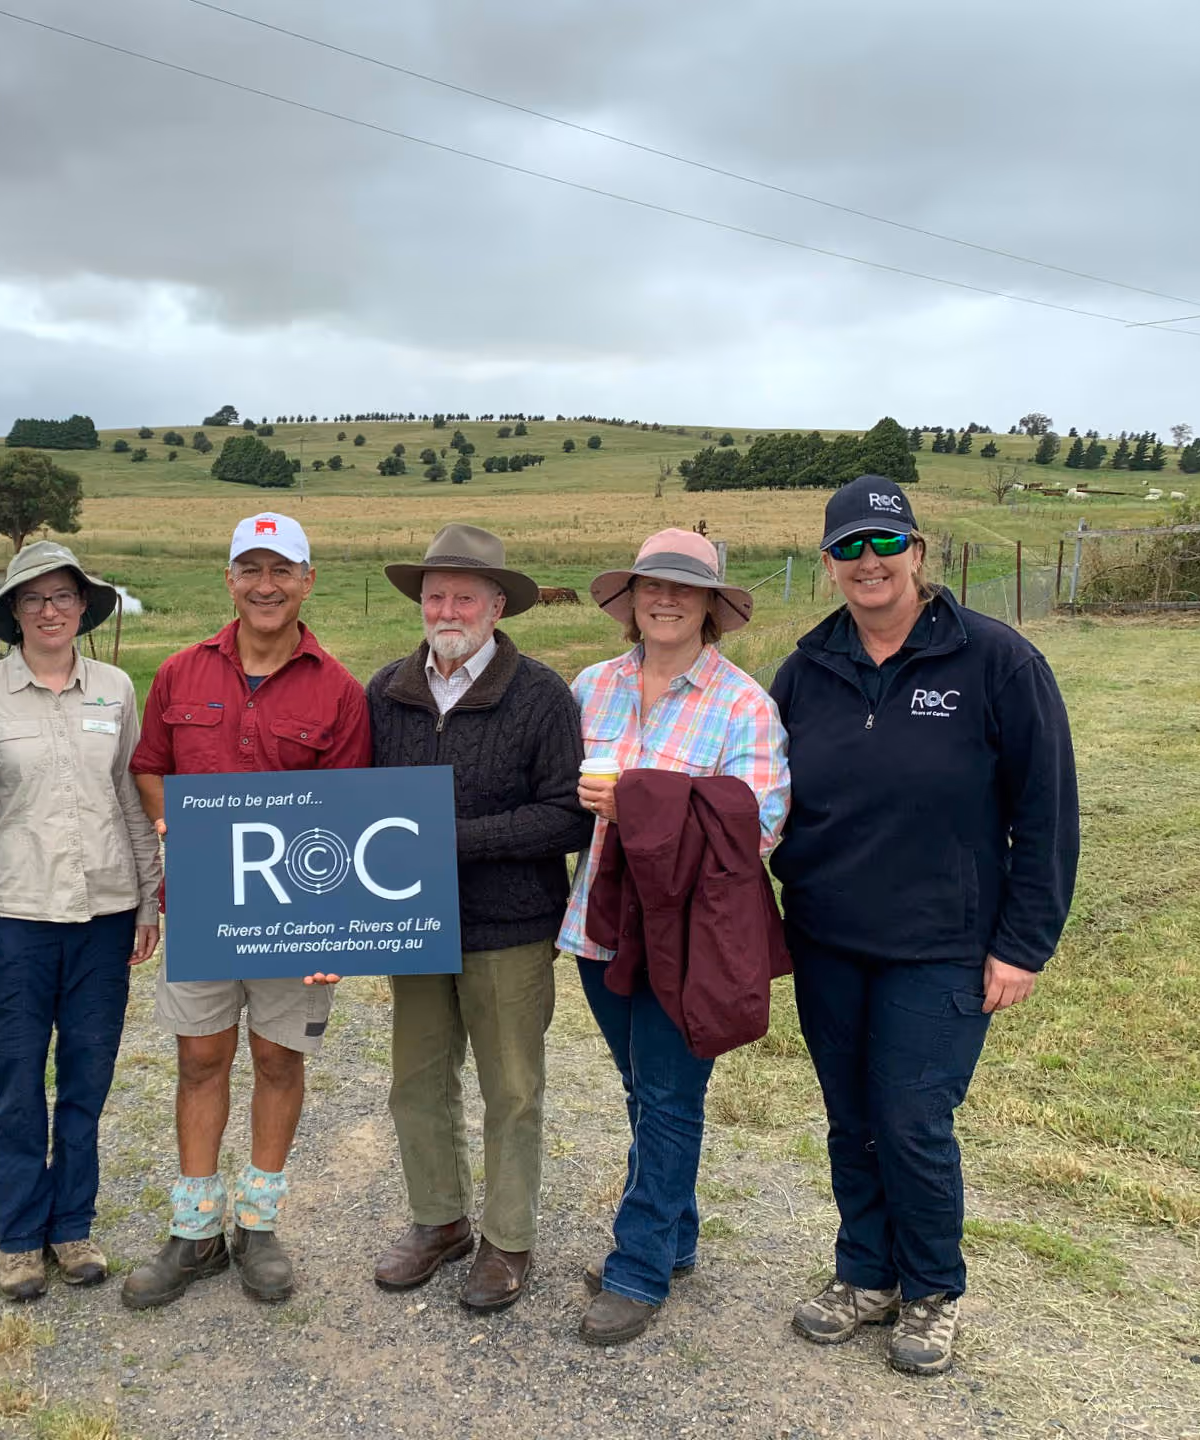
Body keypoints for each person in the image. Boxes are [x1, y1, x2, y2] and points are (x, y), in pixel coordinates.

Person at [771, 476, 1077, 1376]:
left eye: (883, 543)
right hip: (827, 935)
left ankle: (932, 1288)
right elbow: (761, 789)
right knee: (849, 1117)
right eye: (849, 548)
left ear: (916, 551)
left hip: (941, 945)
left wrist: (1022, 945)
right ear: (828, 564)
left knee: (911, 1120)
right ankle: (864, 1273)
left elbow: (1046, 811)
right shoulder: (806, 667)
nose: (869, 563)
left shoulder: (995, 660)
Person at [119, 512, 371, 1311]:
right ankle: (194, 1227)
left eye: (281, 571)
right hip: (202, 904)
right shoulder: (179, 673)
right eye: (249, 570)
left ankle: (256, 1222)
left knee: (277, 1061)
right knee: (198, 1059)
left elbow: (350, 811)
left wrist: (335, 922)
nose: (265, 586)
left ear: (307, 580)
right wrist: (171, 822)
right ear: (228, 579)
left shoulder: (338, 690)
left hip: (295, 913)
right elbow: (151, 768)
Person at [561, 528, 790, 1346]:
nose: (664, 601)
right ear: (628, 599)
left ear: (710, 608)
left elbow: (758, 826)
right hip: (599, 920)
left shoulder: (741, 703)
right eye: (651, 587)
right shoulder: (591, 687)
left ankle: (639, 1265)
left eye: (683, 591)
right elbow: (558, 794)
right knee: (641, 1089)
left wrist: (646, 807)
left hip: (688, 935)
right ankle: (675, 1234)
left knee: (667, 1096)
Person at [366, 524, 593, 1312]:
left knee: (512, 1088)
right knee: (417, 1083)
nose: (448, 607)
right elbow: (359, 812)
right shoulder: (386, 691)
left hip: (510, 927)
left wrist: (453, 839)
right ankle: (438, 1222)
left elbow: (568, 817)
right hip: (412, 925)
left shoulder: (540, 694)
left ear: (498, 606)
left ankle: (506, 1239)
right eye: (435, 594)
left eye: (465, 595)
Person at [0, 541, 161, 1302]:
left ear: (83, 609)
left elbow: (132, 798)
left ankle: (72, 1226)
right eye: (34, 598)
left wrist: (146, 898)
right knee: (14, 1078)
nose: (49, 610)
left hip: (104, 913)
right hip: (15, 914)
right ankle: (17, 1237)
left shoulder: (114, 688)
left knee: (87, 1075)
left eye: (63, 597)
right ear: (12, 611)